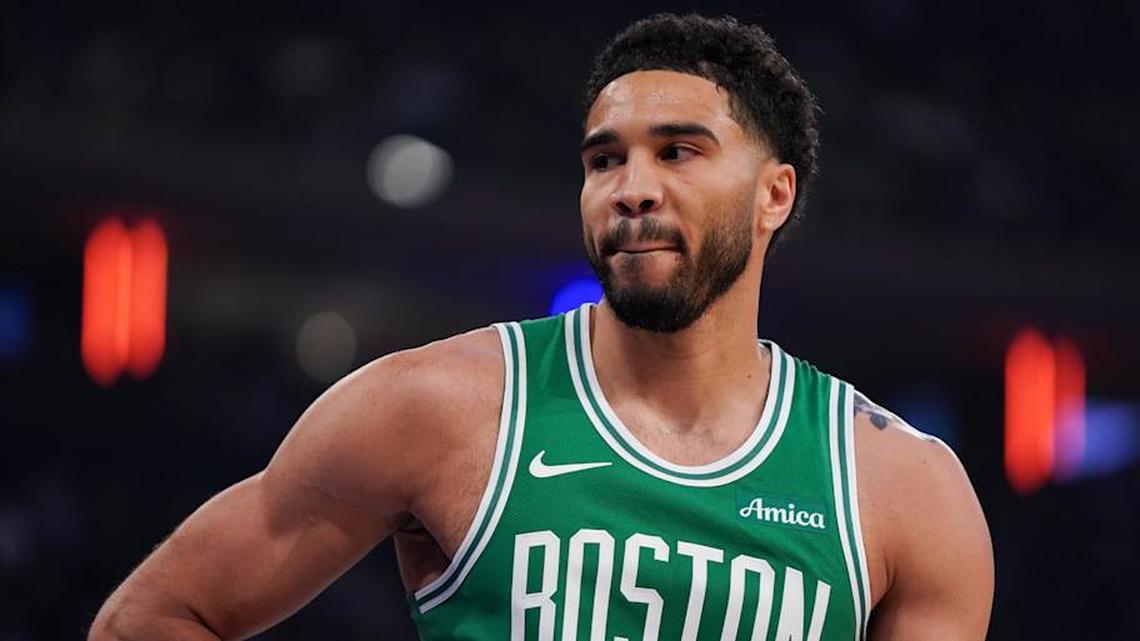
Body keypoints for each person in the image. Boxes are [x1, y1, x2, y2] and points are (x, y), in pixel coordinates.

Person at [89, 12, 993, 641]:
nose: (630, 186)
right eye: (606, 159)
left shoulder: (901, 488)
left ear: (774, 195)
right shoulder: (441, 406)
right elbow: (154, 617)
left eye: (677, 150)